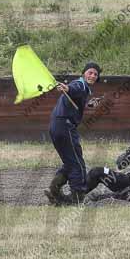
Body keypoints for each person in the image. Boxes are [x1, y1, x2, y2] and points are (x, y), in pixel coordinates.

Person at [45, 62, 101, 205]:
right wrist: (67, 88)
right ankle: (77, 198)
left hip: (56, 126)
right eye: (90, 72)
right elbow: (74, 89)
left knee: (70, 161)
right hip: (65, 126)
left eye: (95, 74)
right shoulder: (79, 84)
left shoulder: (84, 88)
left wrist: (88, 105)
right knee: (77, 163)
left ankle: (54, 191)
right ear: (83, 73)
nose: (93, 76)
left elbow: (75, 98)